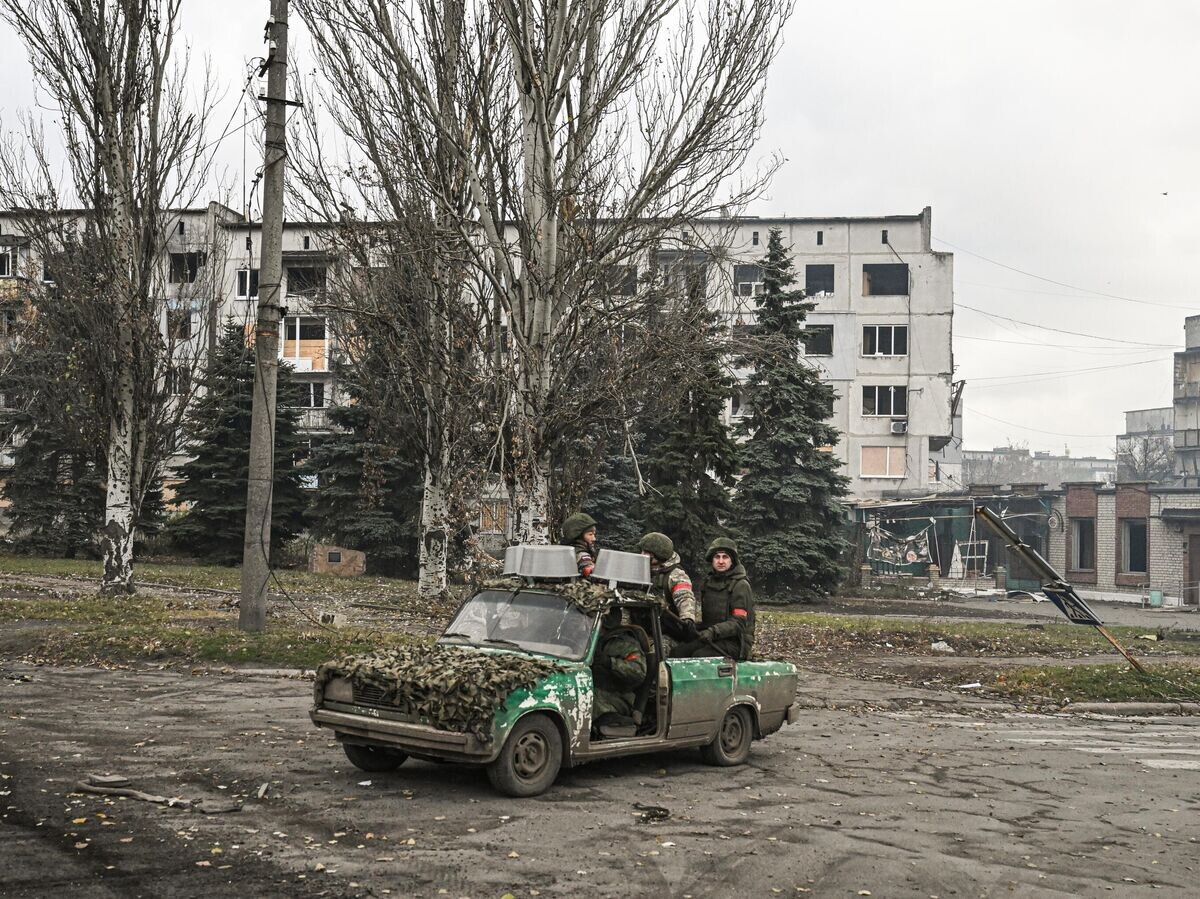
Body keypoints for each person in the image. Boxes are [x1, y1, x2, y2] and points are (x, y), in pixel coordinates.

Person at [671, 536, 756, 660]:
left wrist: (712, 631)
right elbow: (709, 620)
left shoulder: (740, 585)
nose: (721, 561)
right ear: (712, 560)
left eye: (725, 557)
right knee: (678, 652)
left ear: (732, 560)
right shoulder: (707, 583)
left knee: (699, 656)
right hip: (712, 637)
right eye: (717, 557)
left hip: (735, 643)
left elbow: (738, 623)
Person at [591, 607, 648, 733]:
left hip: (617, 696)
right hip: (592, 688)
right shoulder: (585, 638)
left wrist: (610, 662)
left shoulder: (625, 644)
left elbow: (638, 671)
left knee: (587, 701)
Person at [637, 532, 698, 625]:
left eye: (646, 552)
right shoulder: (641, 569)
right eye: (642, 551)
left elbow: (684, 596)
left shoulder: (676, 574)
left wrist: (687, 617)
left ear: (658, 554)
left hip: (665, 627)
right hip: (640, 621)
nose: (642, 555)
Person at [561, 512, 599, 577]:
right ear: (578, 536)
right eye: (590, 534)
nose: (594, 539)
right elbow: (588, 568)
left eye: (594, 534)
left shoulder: (568, 550)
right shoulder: (579, 553)